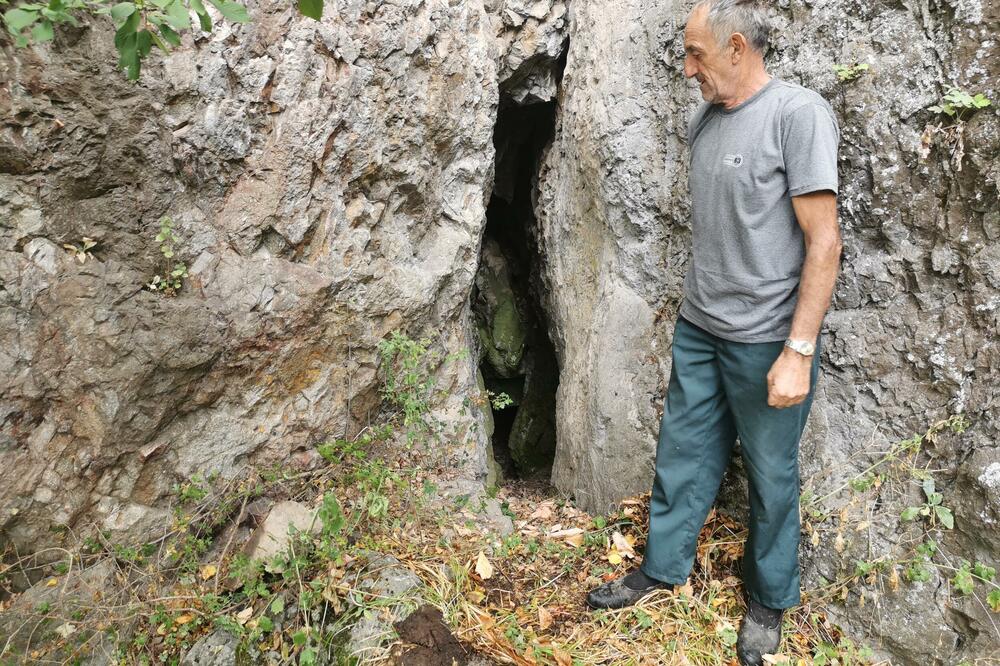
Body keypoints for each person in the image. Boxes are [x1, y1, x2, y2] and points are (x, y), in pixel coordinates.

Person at [585, 1, 842, 665]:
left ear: (735, 47)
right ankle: (662, 567)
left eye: (696, 53)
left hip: (767, 337)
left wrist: (798, 351)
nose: (687, 68)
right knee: (682, 452)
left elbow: (824, 243)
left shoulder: (797, 115)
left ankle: (768, 600)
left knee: (771, 474)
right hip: (701, 326)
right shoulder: (704, 119)